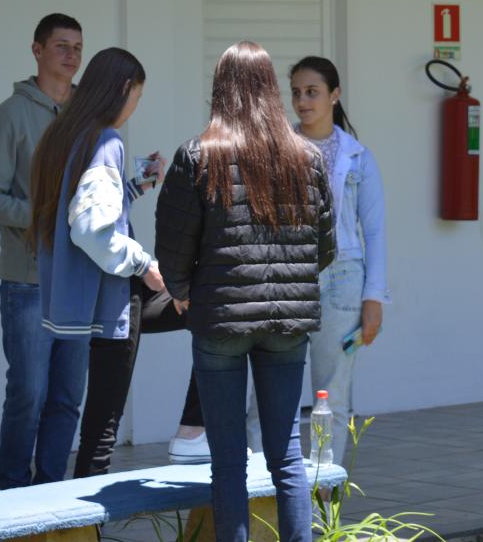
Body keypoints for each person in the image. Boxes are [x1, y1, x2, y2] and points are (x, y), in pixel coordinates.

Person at [156, 41, 335, 542]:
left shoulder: (198, 155)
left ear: (221, 89)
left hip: (221, 320)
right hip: (288, 326)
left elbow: (173, 240)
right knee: (287, 455)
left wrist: (181, 289)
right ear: (271, 90)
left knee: (229, 461)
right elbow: (325, 247)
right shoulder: (307, 157)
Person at [26, 47, 206, 479]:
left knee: (204, 309)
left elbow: (77, 212)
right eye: (137, 97)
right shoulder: (106, 141)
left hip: (85, 297)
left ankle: (194, 430)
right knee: (102, 432)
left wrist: (135, 186)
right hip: (113, 298)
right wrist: (144, 263)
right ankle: (193, 431)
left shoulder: (64, 135)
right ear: (124, 89)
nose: (134, 108)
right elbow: (90, 230)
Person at [247, 56, 387, 466]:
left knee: (332, 398)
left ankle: (323, 496)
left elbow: (374, 232)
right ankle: (268, 493)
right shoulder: (276, 149)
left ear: (334, 95)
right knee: (268, 396)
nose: (302, 101)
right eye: (296, 93)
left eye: (313, 92)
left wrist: (374, 299)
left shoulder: (358, 157)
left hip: (343, 280)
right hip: (285, 279)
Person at [0, 13, 89, 489]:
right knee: (29, 393)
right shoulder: (7, 116)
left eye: (78, 47)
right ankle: (14, 495)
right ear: (37, 50)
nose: (71, 55)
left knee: (67, 398)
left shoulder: (90, 116)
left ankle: (51, 494)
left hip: (79, 279)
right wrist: (47, 215)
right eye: (61, 45)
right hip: (28, 281)